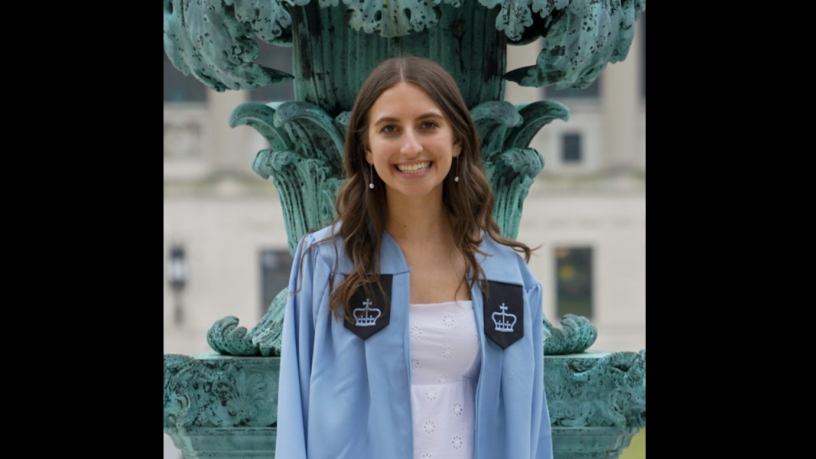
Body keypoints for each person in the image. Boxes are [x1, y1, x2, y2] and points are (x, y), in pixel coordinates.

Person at [275, 55, 553, 459]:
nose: (410, 146)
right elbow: (295, 408)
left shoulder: (506, 273)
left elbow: (531, 424)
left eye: (428, 125)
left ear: (456, 140)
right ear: (367, 148)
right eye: (390, 128)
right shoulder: (327, 263)